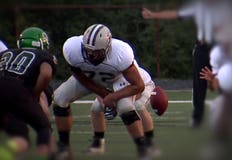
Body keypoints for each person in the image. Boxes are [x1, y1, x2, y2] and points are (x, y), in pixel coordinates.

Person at [52, 24, 157, 159]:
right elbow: (77, 74)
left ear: (108, 47)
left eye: (96, 52)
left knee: (125, 107)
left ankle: (142, 147)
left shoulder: (121, 53)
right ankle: (64, 145)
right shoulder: (72, 48)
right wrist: (103, 93)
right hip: (89, 77)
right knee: (59, 98)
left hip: (117, 79)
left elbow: (138, 86)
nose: (91, 55)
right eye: (88, 50)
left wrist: (113, 97)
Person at [142, 0, 214, 128]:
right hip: (203, 48)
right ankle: (198, 118)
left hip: (221, 47)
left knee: (228, 78)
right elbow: (176, 14)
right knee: (199, 83)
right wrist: (154, 15)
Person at [0, 27, 56, 159]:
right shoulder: (43, 56)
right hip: (16, 88)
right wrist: (35, 94)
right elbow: (46, 74)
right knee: (43, 129)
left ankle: (7, 153)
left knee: (19, 134)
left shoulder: (6, 53)